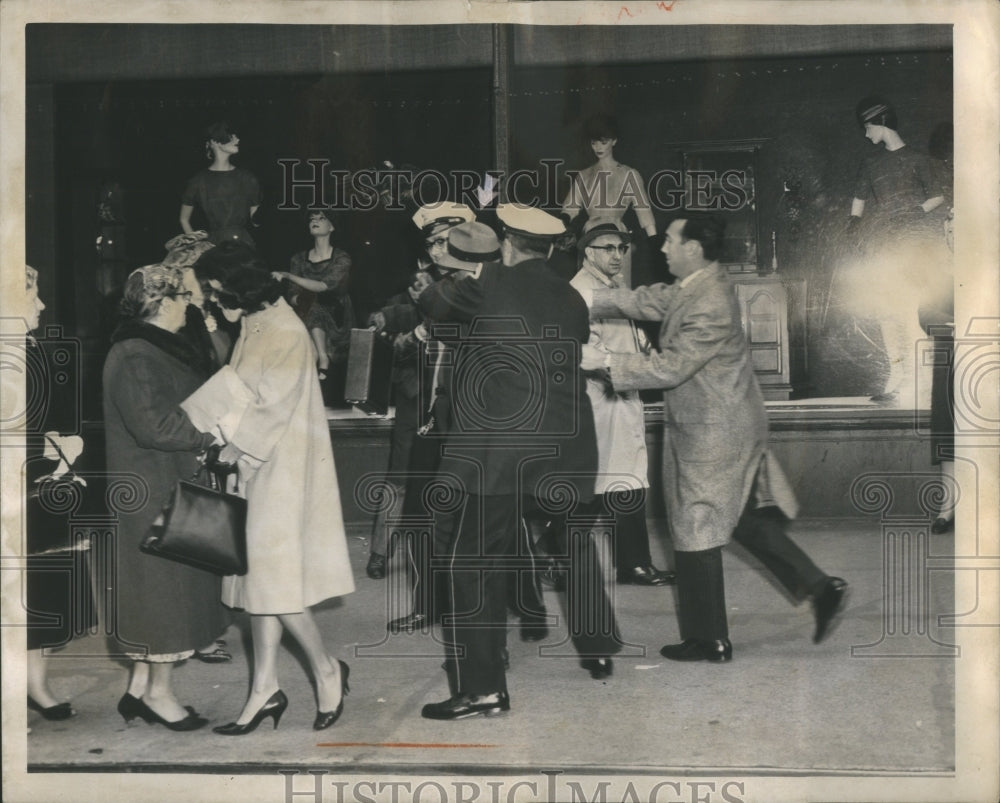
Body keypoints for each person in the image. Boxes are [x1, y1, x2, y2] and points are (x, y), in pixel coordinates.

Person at [580, 213, 848, 663]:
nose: (660, 248)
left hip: (714, 429)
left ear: (693, 249)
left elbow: (671, 367)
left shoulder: (710, 301)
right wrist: (587, 300)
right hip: (725, 420)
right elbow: (650, 300)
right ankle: (821, 588)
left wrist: (604, 364)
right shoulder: (698, 284)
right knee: (743, 520)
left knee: (695, 524)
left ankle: (709, 639)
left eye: (669, 240)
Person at [417, 207, 603, 720]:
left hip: (497, 453)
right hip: (561, 452)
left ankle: (482, 689)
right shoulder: (569, 295)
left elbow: (431, 303)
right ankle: (596, 643)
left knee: (471, 564)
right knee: (555, 548)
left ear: (507, 245)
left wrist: (455, 266)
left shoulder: (488, 282)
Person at [195, 261, 355, 734]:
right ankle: (264, 687)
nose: (210, 297)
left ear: (239, 290)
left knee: (274, 583)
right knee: (258, 582)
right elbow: (239, 387)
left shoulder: (284, 329)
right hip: (257, 466)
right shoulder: (255, 323)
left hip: (280, 469)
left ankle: (327, 668)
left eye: (215, 289)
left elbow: (272, 407)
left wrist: (230, 447)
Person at [102, 265, 229, 730]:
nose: (190, 306)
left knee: (157, 592)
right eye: (184, 297)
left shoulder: (148, 348)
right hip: (151, 489)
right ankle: (158, 693)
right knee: (164, 595)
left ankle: (137, 688)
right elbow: (154, 426)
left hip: (161, 484)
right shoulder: (137, 353)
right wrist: (210, 435)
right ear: (162, 303)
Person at [365, 202, 475, 582]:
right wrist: (391, 317)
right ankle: (380, 551)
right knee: (401, 476)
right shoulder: (424, 284)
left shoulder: (479, 286)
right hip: (419, 400)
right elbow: (401, 320)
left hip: (465, 408)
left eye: (447, 242)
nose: (440, 252)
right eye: (433, 244)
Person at [569, 217, 675, 587]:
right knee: (605, 483)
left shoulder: (612, 285)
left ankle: (633, 564)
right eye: (608, 248)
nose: (617, 255)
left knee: (624, 481)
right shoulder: (581, 291)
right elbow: (583, 350)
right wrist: (629, 369)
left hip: (623, 395)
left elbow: (631, 338)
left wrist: (642, 353)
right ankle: (552, 554)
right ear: (588, 251)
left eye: (621, 248)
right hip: (600, 399)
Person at [18, 266, 97, 722]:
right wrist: (49, 448)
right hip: (18, 484)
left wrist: (63, 447)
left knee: (44, 584)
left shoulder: (29, 345)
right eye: (34, 294)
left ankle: (36, 684)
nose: (43, 305)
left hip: (43, 478)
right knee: (23, 587)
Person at [847, 96, 946, 406]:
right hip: (886, 246)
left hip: (915, 247)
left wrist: (913, 212)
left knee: (913, 311)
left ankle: (922, 382)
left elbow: (938, 197)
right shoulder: (871, 163)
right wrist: (853, 225)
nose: (866, 135)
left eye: (867, 127)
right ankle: (896, 376)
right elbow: (859, 201)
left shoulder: (918, 160)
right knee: (887, 312)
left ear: (881, 123)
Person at [561, 114, 658, 288]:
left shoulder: (629, 174)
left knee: (617, 290)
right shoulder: (583, 176)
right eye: (594, 142)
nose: (598, 147)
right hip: (589, 238)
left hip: (617, 238)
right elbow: (569, 209)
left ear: (614, 141)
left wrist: (655, 243)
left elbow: (644, 213)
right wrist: (564, 225)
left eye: (603, 141)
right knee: (588, 288)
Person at [273, 209, 355, 404]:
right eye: (311, 219)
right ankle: (317, 365)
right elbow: (292, 294)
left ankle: (322, 359)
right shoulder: (298, 258)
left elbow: (324, 286)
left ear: (332, 226)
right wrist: (298, 300)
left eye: (321, 218)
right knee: (307, 307)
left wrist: (287, 275)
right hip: (306, 309)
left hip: (336, 313)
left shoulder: (342, 258)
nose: (314, 221)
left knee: (314, 302)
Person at [179, 121, 261, 247]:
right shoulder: (198, 181)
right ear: (215, 142)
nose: (237, 139)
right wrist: (196, 246)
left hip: (243, 245)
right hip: (214, 247)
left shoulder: (247, 178)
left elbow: (256, 221)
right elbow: (184, 219)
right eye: (231, 136)